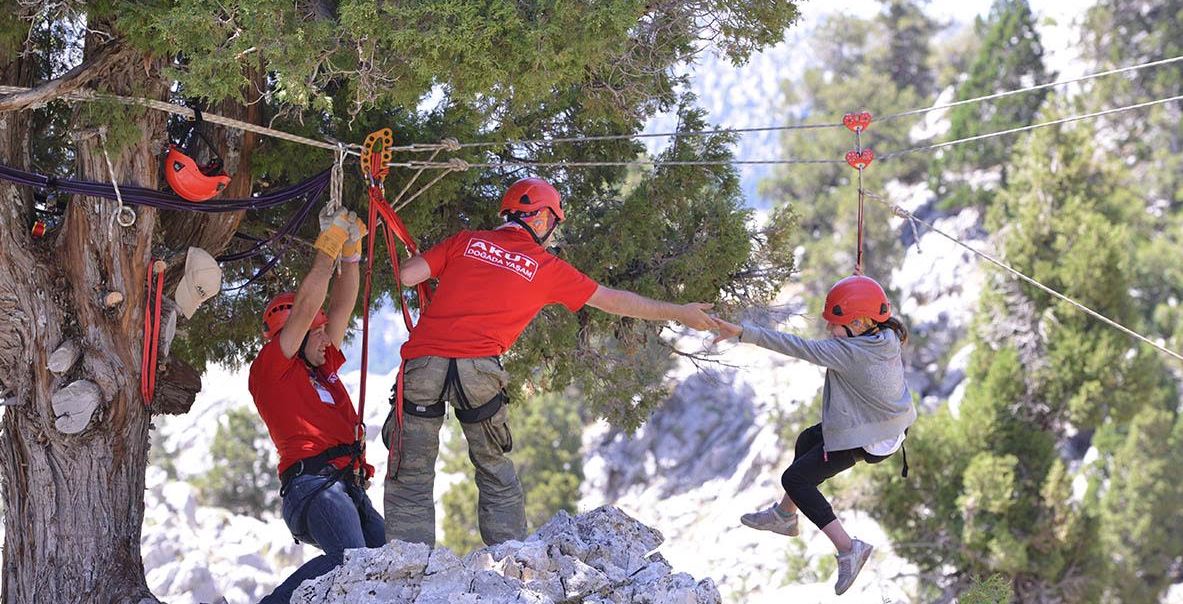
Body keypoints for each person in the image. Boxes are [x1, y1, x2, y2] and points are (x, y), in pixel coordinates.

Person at [382, 177, 717, 547]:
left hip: (423, 362)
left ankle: (407, 564)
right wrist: (679, 312)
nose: (553, 235)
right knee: (493, 468)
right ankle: (508, 559)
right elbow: (614, 300)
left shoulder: (466, 241)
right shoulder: (546, 267)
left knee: (409, 470)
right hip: (478, 370)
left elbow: (409, 274)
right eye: (553, 225)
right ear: (540, 220)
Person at [712, 274, 916, 596]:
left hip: (872, 436)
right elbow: (867, 305)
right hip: (889, 424)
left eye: (836, 324)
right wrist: (858, 283)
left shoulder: (848, 352)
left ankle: (850, 548)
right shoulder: (886, 333)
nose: (829, 331)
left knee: (795, 479)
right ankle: (784, 516)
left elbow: (797, 346)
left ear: (860, 323)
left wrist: (742, 333)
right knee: (807, 441)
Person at [250, 208, 383, 604]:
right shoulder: (273, 369)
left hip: (347, 486)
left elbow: (340, 307)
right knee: (351, 562)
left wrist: (351, 255)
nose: (328, 339)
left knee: (390, 563)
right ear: (295, 333)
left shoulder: (320, 368)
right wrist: (327, 246)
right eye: (318, 333)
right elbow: (309, 306)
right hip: (313, 487)